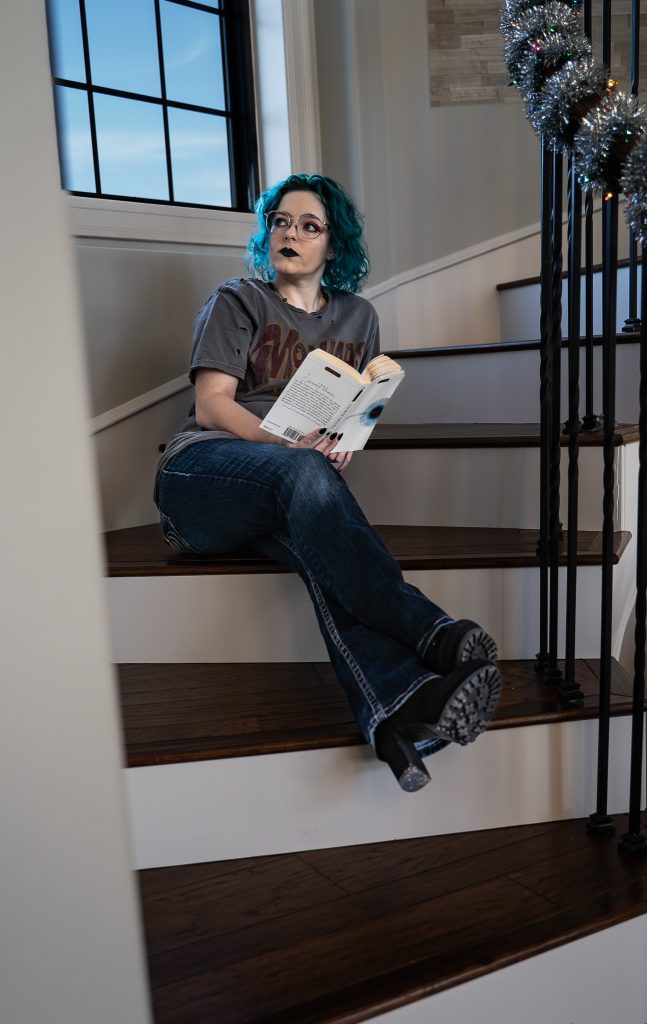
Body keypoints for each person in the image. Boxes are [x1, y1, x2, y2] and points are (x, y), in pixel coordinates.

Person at [154, 173, 501, 792]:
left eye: (308, 226)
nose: (290, 233)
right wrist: (290, 447)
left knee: (324, 558)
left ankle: (401, 713)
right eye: (281, 222)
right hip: (203, 476)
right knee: (303, 478)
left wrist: (337, 448)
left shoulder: (359, 317)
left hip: (292, 487)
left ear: (333, 245)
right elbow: (211, 404)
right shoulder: (238, 300)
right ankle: (428, 629)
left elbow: (349, 421)